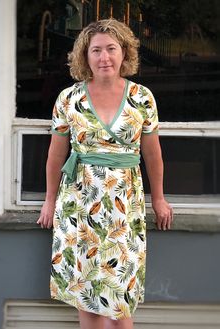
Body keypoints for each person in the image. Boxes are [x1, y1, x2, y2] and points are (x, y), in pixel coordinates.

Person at [37, 18, 173, 329]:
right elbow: (55, 154)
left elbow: (153, 154)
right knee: (88, 294)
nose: (104, 57)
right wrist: (49, 200)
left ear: (124, 53)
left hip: (125, 205)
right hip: (80, 204)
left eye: (111, 49)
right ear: (85, 56)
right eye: (96, 50)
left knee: (120, 298)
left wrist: (160, 199)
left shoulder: (142, 97)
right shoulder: (69, 99)